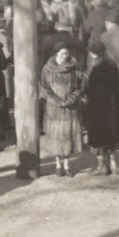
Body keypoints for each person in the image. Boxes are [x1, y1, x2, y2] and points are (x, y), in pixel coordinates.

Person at [82, 38, 119, 175]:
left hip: (98, 108)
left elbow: (90, 89)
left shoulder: (95, 67)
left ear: (92, 52)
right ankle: (114, 166)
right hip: (112, 106)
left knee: (98, 139)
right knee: (110, 138)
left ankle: (101, 167)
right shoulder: (112, 65)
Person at [40, 46, 86, 177]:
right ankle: (57, 165)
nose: (64, 56)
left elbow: (80, 85)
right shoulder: (47, 69)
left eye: (66, 53)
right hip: (54, 109)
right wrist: (57, 101)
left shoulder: (74, 67)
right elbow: (44, 87)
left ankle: (67, 166)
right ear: (55, 54)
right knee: (56, 137)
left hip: (70, 108)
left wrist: (71, 100)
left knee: (67, 136)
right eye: (61, 53)